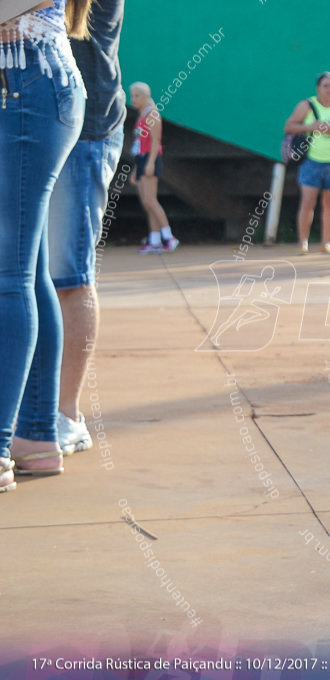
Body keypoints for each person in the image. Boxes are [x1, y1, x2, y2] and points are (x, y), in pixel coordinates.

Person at [0, 0, 91, 490]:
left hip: (28, 85)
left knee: (8, 275)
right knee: (25, 272)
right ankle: (34, 437)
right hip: (29, 85)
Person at [46, 0, 125, 456]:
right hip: (37, 122)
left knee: (69, 274)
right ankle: (37, 410)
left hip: (85, 130)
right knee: (28, 276)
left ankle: (66, 415)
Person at [284, 72, 330, 255]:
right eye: (326, 85)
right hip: (312, 162)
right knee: (308, 202)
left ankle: (326, 243)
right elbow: (289, 126)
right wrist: (310, 127)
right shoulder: (307, 105)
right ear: (318, 88)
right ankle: (303, 243)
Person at [129, 82, 178, 254]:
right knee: (146, 203)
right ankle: (154, 240)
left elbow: (155, 142)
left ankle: (169, 236)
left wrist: (150, 163)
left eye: (137, 96)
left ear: (146, 96)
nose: (133, 99)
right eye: (132, 96)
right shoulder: (141, 115)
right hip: (141, 159)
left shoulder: (152, 114)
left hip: (151, 159)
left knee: (151, 200)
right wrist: (137, 169)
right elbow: (139, 143)